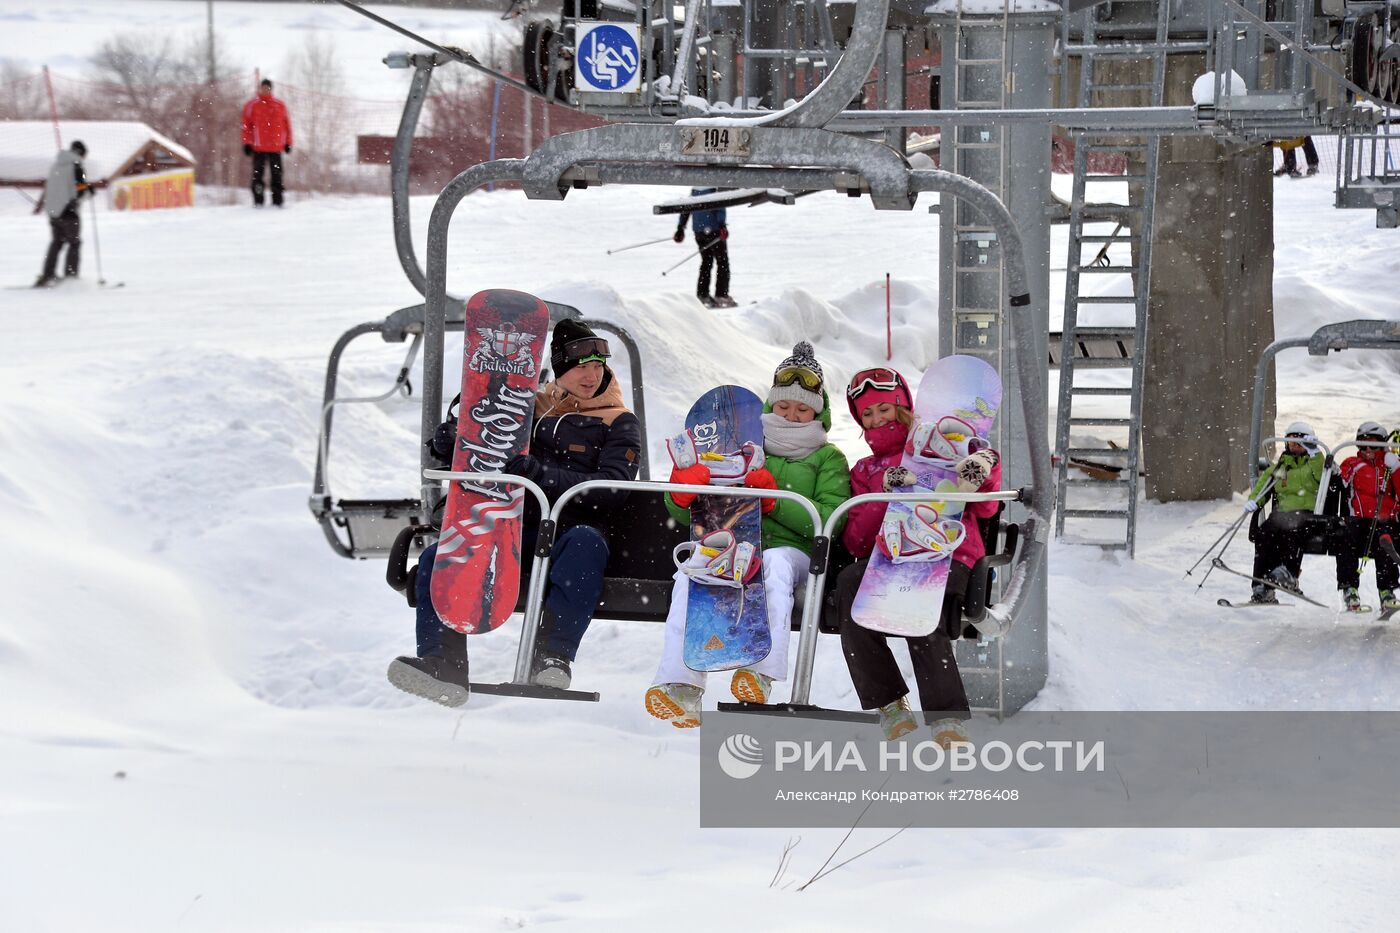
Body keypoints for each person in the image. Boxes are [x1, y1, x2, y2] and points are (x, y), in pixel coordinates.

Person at [388, 319, 642, 704]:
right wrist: (453, 439)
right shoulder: (526, 408)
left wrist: (543, 476)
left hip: (569, 535)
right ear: (560, 367)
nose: (591, 375)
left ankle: (553, 657)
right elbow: (484, 444)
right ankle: (444, 664)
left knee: (586, 544)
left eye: (598, 366)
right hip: (511, 529)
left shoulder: (617, 421)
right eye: (580, 366)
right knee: (438, 555)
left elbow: (612, 488)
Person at [646, 341, 851, 728]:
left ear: (818, 411)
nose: (791, 415)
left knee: (772, 565)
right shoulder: (744, 447)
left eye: (802, 408)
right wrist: (684, 489)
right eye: (783, 406)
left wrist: (775, 500)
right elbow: (690, 513)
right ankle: (681, 684)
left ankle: (760, 671)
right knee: (691, 574)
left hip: (797, 554)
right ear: (770, 406)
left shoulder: (827, 458)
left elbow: (831, 520)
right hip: (738, 547)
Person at [834, 366, 1000, 746]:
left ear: (903, 408)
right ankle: (889, 703)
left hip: (949, 553)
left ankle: (946, 719)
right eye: (867, 415)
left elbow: (987, 508)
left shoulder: (944, 444)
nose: (876, 420)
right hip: (892, 556)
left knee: (920, 600)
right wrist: (885, 497)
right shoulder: (865, 470)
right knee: (850, 584)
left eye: (883, 409)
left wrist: (981, 471)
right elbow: (858, 542)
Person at [1241, 421, 1324, 604]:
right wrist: (1254, 501)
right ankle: (1261, 586)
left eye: (1298, 444)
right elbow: (1265, 485)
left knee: (1291, 529)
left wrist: (1315, 453)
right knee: (1264, 534)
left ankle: (1289, 573)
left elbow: (1322, 474)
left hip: (1307, 514)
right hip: (1281, 515)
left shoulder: (1313, 464)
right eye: (1290, 443)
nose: (1294, 447)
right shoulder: (1282, 467)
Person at [1336, 421, 1400, 612]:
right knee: (1346, 534)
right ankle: (1350, 589)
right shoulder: (1352, 463)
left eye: (1373, 444)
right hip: (1359, 520)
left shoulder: (1391, 466)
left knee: (1385, 539)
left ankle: (1386, 591)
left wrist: (1396, 468)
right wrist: (1332, 472)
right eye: (1363, 444)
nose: (1368, 449)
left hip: (1385, 520)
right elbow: (1340, 482)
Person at [34, 140, 91, 287]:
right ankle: (70, 278)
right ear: (81, 153)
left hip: (53, 212)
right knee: (74, 243)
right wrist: (89, 191)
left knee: (57, 242)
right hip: (68, 212)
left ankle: (48, 274)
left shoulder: (55, 165)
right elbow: (81, 190)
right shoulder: (76, 166)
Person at [674, 187, 735, 309]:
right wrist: (722, 225)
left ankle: (703, 295)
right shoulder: (714, 189)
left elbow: (686, 208)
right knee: (722, 262)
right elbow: (719, 207)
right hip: (714, 230)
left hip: (699, 232)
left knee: (706, 262)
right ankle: (721, 296)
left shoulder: (695, 190)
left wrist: (681, 227)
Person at [241, 78, 293, 208]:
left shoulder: (279, 105)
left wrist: (288, 142)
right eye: (263, 88)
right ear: (260, 89)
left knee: (277, 175)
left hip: (276, 147)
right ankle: (258, 201)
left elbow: (286, 125)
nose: (265, 90)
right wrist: (246, 142)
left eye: (268, 88)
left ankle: (278, 201)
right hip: (259, 147)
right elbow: (246, 126)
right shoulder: (252, 105)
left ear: (271, 89)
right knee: (257, 175)